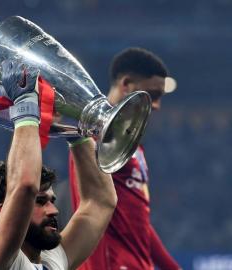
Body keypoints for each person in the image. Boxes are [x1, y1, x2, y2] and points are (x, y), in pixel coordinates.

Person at [0, 57, 117, 270]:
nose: (54, 210)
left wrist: (77, 133)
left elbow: (100, 202)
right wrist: (25, 105)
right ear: (4, 210)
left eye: (51, 200)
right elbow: (25, 186)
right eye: (40, 201)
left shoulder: (53, 261)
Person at [69, 47, 181, 270]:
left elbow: (140, 223)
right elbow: (88, 208)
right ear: (127, 84)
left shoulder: (133, 146)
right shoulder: (95, 137)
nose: (157, 106)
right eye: (154, 95)